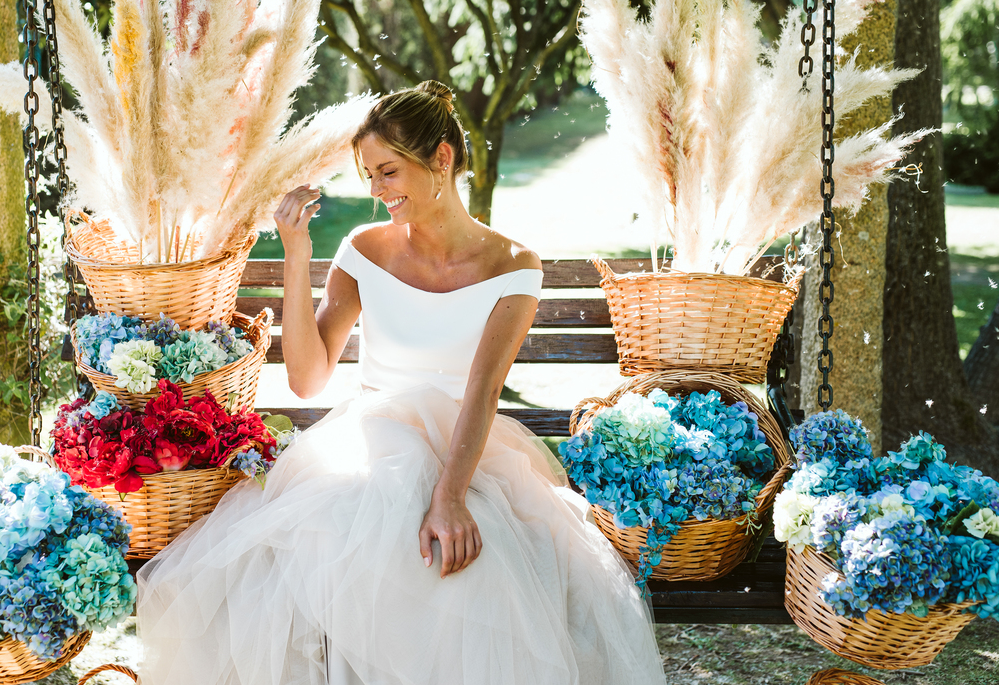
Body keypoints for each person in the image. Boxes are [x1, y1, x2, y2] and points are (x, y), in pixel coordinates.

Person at [136, 81, 667, 685]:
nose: (376, 192)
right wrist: (296, 251)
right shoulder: (363, 249)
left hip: (469, 457)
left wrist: (450, 496)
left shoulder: (513, 267)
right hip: (371, 449)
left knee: (468, 560)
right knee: (341, 540)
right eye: (368, 175)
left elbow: (484, 390)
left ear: (441, 158)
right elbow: (310, 379)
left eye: (388, 172)